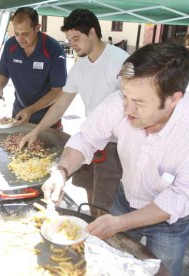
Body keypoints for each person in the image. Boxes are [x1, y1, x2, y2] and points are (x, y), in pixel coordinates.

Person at [42, 43, 189, 276]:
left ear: (174, 98)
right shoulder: (122, 101)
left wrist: (120, 223)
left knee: (164, 269)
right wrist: (62, 171)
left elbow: (181, 197)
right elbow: (86, 138)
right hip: (126, 199)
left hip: (173, 222)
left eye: (139, 103)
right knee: (110, 262)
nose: (127, 108)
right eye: (125, 95)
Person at [19, 9, 129, 216]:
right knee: (88, 188)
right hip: (90, 137)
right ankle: (90, 221)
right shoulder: (79, 67)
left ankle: (99, 232)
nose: (72, 44)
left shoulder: (120, 61)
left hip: (114, 143)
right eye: (69, 40)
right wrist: (37, 131)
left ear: (93, 33)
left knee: (104, 202)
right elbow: (61, 105)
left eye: (77, 38)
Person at [0, 7, 67, 127]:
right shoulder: (10, 46)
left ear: (37, 28)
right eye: (16, 33)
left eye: (25, 34)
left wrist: (31, 109)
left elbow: (57, 91)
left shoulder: (54, 50)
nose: (20, 38)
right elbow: (3, 72)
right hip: (19, 113)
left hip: (48, 118)